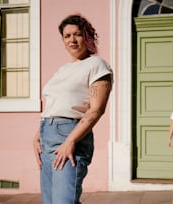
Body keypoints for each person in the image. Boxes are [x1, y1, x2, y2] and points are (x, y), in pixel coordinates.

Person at [33, 14, 113, 204]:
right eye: (67, 36)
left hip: (70, 135)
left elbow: (96, 110)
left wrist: (70, 141)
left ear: (88, 37)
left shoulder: (97, 65)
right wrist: (38, 135)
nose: (72, 40)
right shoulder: (63, 70)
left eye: (77, 34)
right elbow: (55, 104)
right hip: (47, 135)